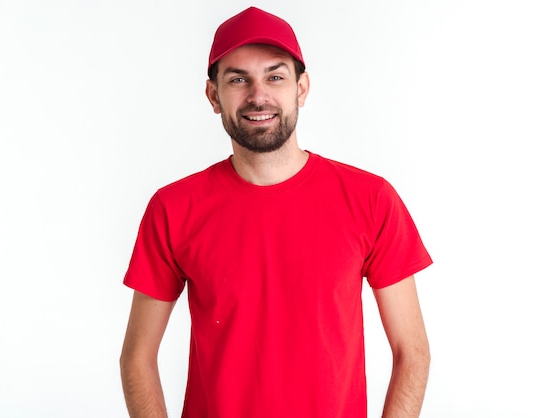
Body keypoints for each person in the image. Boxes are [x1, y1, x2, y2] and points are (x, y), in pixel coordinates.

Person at [120, 6, 432, 418]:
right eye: (238, 79)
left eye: (275, 76)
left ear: (301, 89)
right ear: (214, 96)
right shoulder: (174, 208)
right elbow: (137, 358)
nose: (258, 95)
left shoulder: (370, 199)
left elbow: (412, 352)